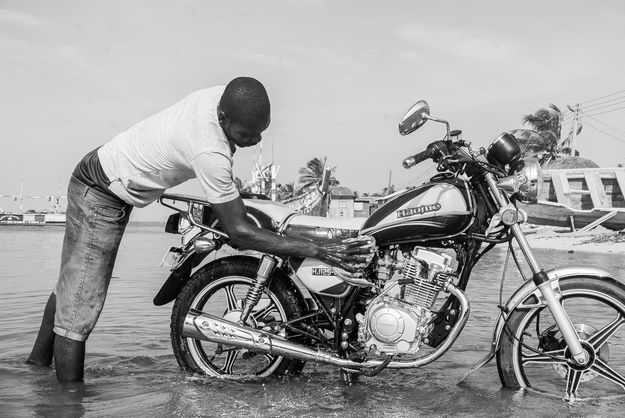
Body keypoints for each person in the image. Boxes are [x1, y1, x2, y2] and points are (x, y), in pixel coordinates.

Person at [27, 76, 373, 382]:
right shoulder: (209, 149)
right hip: (99, 191)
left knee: (72, 287)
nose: (253, 140)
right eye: (245, 134)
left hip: (104, 176)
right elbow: (239, 234)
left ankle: (35, 369)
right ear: (222, 118)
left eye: (260, 132)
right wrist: (319, 250)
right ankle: (66, 409)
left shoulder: (220, 100)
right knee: (82, 305)